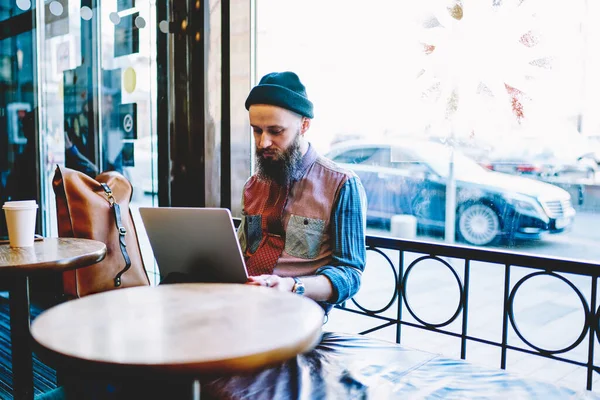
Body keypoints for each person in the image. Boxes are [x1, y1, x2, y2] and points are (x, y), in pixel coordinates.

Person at [240, 71, 367, 313]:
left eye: (276, 131)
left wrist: (292, 286)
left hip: (297, 313)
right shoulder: (253, 185)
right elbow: (246, 252)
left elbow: (350, 274)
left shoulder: (341, 184)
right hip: (246, 303)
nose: (262, 143)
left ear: (304, 125)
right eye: (257, 130)